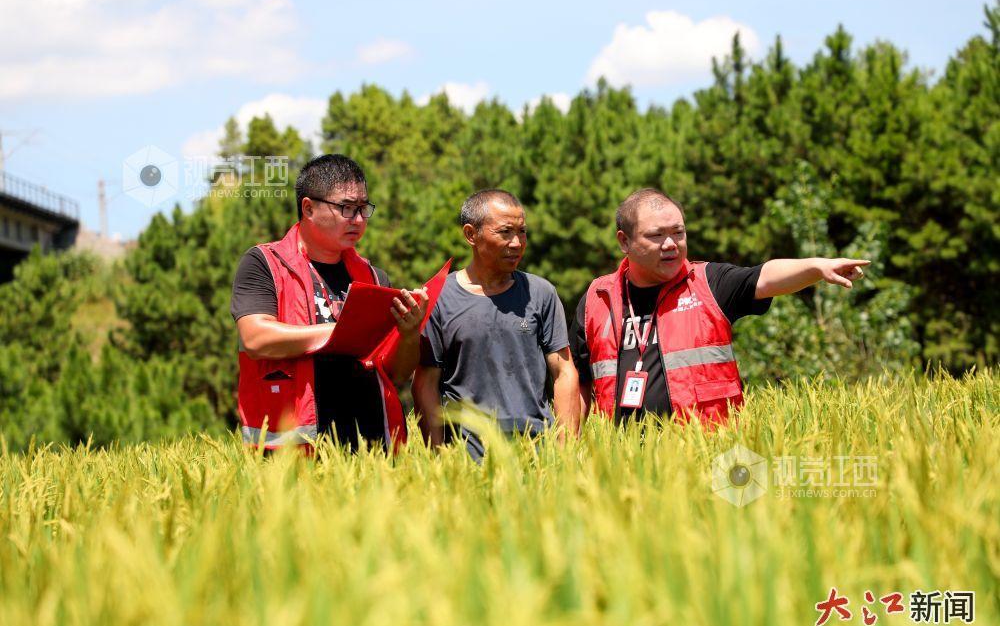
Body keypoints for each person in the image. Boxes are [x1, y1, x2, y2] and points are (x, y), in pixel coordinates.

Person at [572, 188, 870, 424]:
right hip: (622, 463)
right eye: (656, 235)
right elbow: (578, 382)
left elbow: (764, 276)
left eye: (678, 232)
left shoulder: (708, 282)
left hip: (704, 452)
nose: (671, 244)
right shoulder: (597, 299)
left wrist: (817, 267)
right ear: (624, 242)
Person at [231, 153, 427, 451]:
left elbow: (396, 373)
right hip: (296, 452)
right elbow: (256, 338)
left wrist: (410, 333)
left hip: (373, 448)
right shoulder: (265, 263)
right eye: (347, 208)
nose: (359, 220)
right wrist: (339, 332)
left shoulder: (374, 277)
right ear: (308, 208)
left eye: (364, 209)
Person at [412, 189, 579, 460]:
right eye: (505, 232)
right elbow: (425, 383)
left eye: (522, 232)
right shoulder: (439, 297)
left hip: (537, 456)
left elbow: (564, 371)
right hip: (467, 459)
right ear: (471, 234)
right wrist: (439, 456)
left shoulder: (541, 293)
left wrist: (565, 450)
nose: (517, 243)